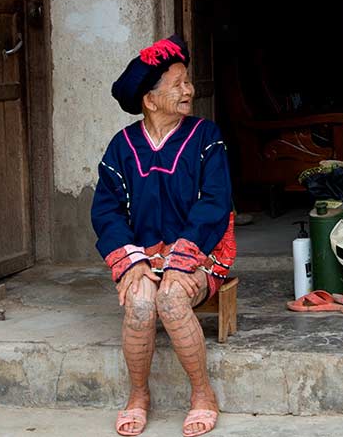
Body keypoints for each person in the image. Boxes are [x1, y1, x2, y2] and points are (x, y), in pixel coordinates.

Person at [91, 36, 235, 436]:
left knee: (171, 297)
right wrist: (131, 261)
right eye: (177, 85)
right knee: (140, 301)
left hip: (200, 252)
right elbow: (106, 210)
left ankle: (202, 394)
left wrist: (182, 259)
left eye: (187, 82)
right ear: (150, 101)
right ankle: (138, 396)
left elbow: (215, 202)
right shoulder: (121, 147)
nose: (188, 90)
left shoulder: (206, 136)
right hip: (144, 254)